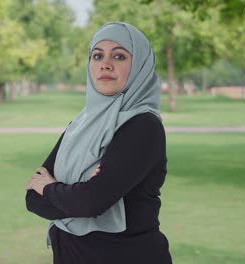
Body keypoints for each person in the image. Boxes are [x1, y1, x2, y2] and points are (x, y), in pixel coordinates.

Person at [25, 21, 172, 264]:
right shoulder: (81, 124)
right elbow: (32, 198)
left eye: (119, 56)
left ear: (140, 66)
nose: (105, 64)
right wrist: (77, 194)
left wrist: (51, 189)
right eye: (97, 55)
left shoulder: (143, 126)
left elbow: (91, 201)